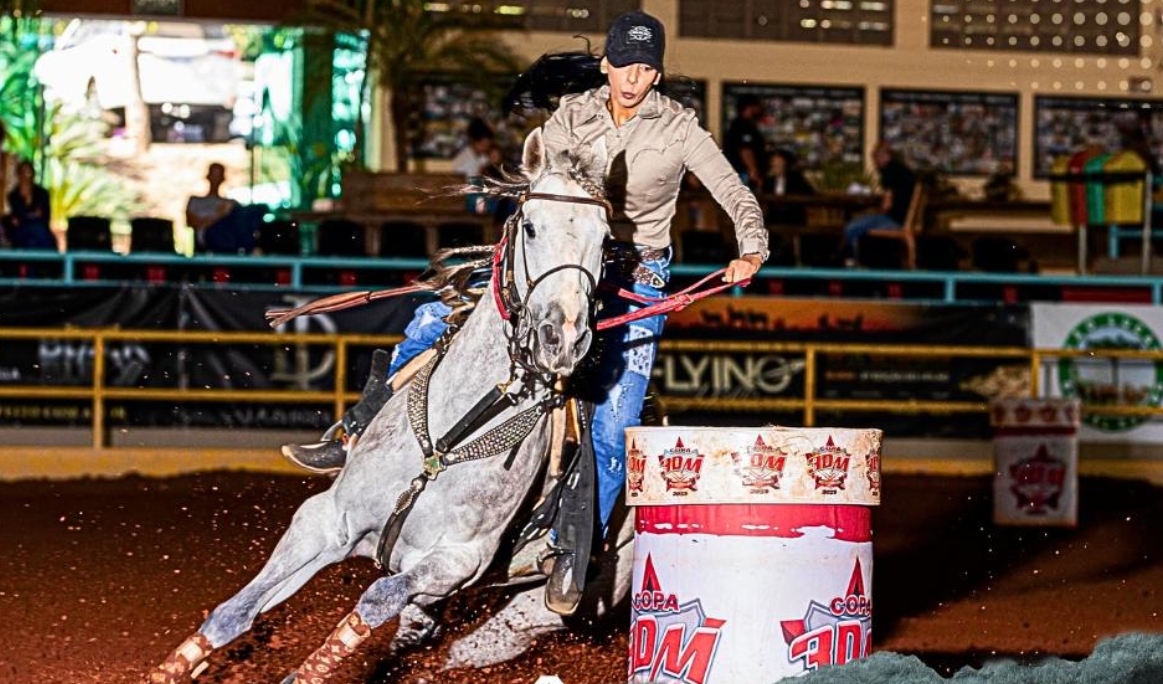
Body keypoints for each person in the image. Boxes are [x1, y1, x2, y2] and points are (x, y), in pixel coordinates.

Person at [282, 7, 766, 580]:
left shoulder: (681, 130)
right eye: (625, 65)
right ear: (607, 66)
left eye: (645, 69)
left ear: (656, 74)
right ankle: (356, 431)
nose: (634, 78)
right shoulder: (570, 116)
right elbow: (539, 189)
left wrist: (751, 248)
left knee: (614, 429)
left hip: (634, 279)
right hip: (557, 261)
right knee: (431, 320)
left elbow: (734, 192)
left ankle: (573, 550)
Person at [841, 141, 916, 264]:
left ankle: (852, 262)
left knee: (851, 228)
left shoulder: (888, 172)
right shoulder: (905, 171)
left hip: (894, 220)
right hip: (906, 220)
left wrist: (875, 212)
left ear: (884, 156)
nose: (875, 164)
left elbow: (887, 204)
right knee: (865, 221)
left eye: (875, 159)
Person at [186, 163, 256, 254]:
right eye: (213, 175)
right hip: (209, 236)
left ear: (223, 178)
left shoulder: (230, 203)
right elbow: (191, 223)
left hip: (231, 236)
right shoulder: (195, 201)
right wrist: (220, 214)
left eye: (218, 175)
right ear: (208, 176)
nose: (215, 179)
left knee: (253, 210)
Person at [4, 160, 55, 250]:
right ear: (18, 175)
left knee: (39, 233)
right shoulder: (13, 196)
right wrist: (31, 214)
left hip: (40, 232)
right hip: (21, 233)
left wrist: (26, 216)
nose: (26, 177)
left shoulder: (42, 194)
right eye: (23, 173)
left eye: (28, 173)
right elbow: (15, 219)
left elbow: (44, 216)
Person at [723, 93, 769, 191]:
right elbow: (745, 150)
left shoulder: (741, 124)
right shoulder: (743, 125)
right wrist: (753, 172)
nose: (760, 109)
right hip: (744, 175)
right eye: (757, 106)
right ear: (749, 107)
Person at [763, 148, 816, 226]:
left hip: (793, 220)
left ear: (786, 164)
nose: (776, 166)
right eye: (774, 164)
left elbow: (810, 194)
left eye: (779, 163)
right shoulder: (769, 181)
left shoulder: (796, 178)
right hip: (774, 221)